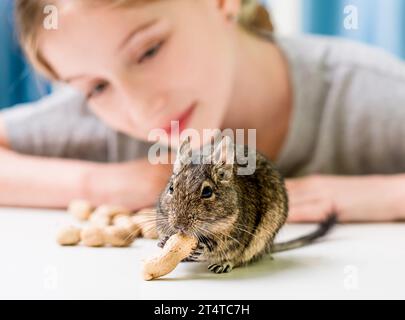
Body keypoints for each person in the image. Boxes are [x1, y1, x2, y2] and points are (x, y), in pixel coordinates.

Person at [1, 0, 405, 222]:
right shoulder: (96, 121)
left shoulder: (367, 90)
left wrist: (384, 196)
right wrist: (102, 186)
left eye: (149, 50)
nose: (141, 110)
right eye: (97, 87)